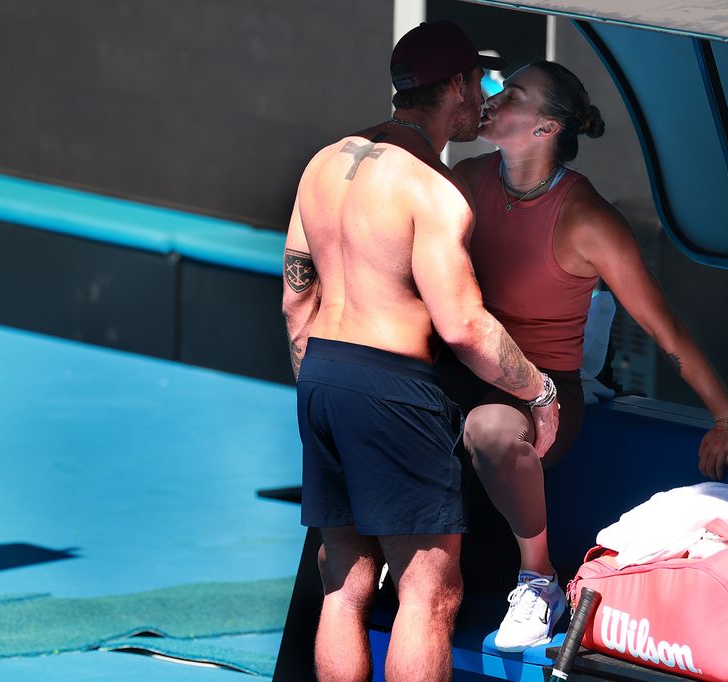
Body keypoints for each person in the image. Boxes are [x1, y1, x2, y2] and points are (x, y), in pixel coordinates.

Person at [281, 23, 560, 682]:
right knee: (427, 592)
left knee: (344, 586)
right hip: (392, 389)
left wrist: (322, 387)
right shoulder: (432, 188)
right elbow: (463, 327)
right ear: (456, 86)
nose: (485, 97)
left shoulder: (324, 164)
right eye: (480, 82)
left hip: (322, 376)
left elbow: (296, 298)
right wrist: (540, 391)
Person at [445, 60, 728, 651]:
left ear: (546, 128)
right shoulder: (466, 177)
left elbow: (662, 327)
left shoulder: (589, 220)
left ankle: (539, 580)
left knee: (489, 429)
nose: (494, 99)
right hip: (460, 372)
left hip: (544, 394)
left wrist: (726, 416)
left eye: (514, 95)